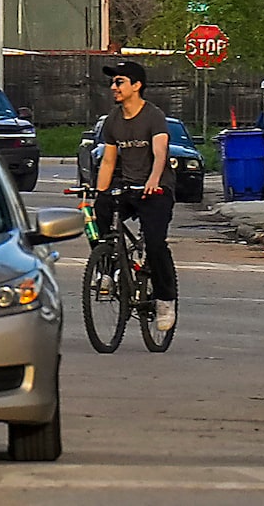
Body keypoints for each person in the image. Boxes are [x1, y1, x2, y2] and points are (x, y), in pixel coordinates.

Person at [94, 62, 177, 333]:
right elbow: (108, 161)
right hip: (128, 186)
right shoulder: (112, 120)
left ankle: (165, 299)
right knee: (100, 210)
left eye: (119, 82)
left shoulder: (153, 116)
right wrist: (99, 192)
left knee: (155, 244)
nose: (113, 88)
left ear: (136, 85)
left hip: (156, 189)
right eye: (113, 83)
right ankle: (106, 267)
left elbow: (160, 152)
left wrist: (154, 180)